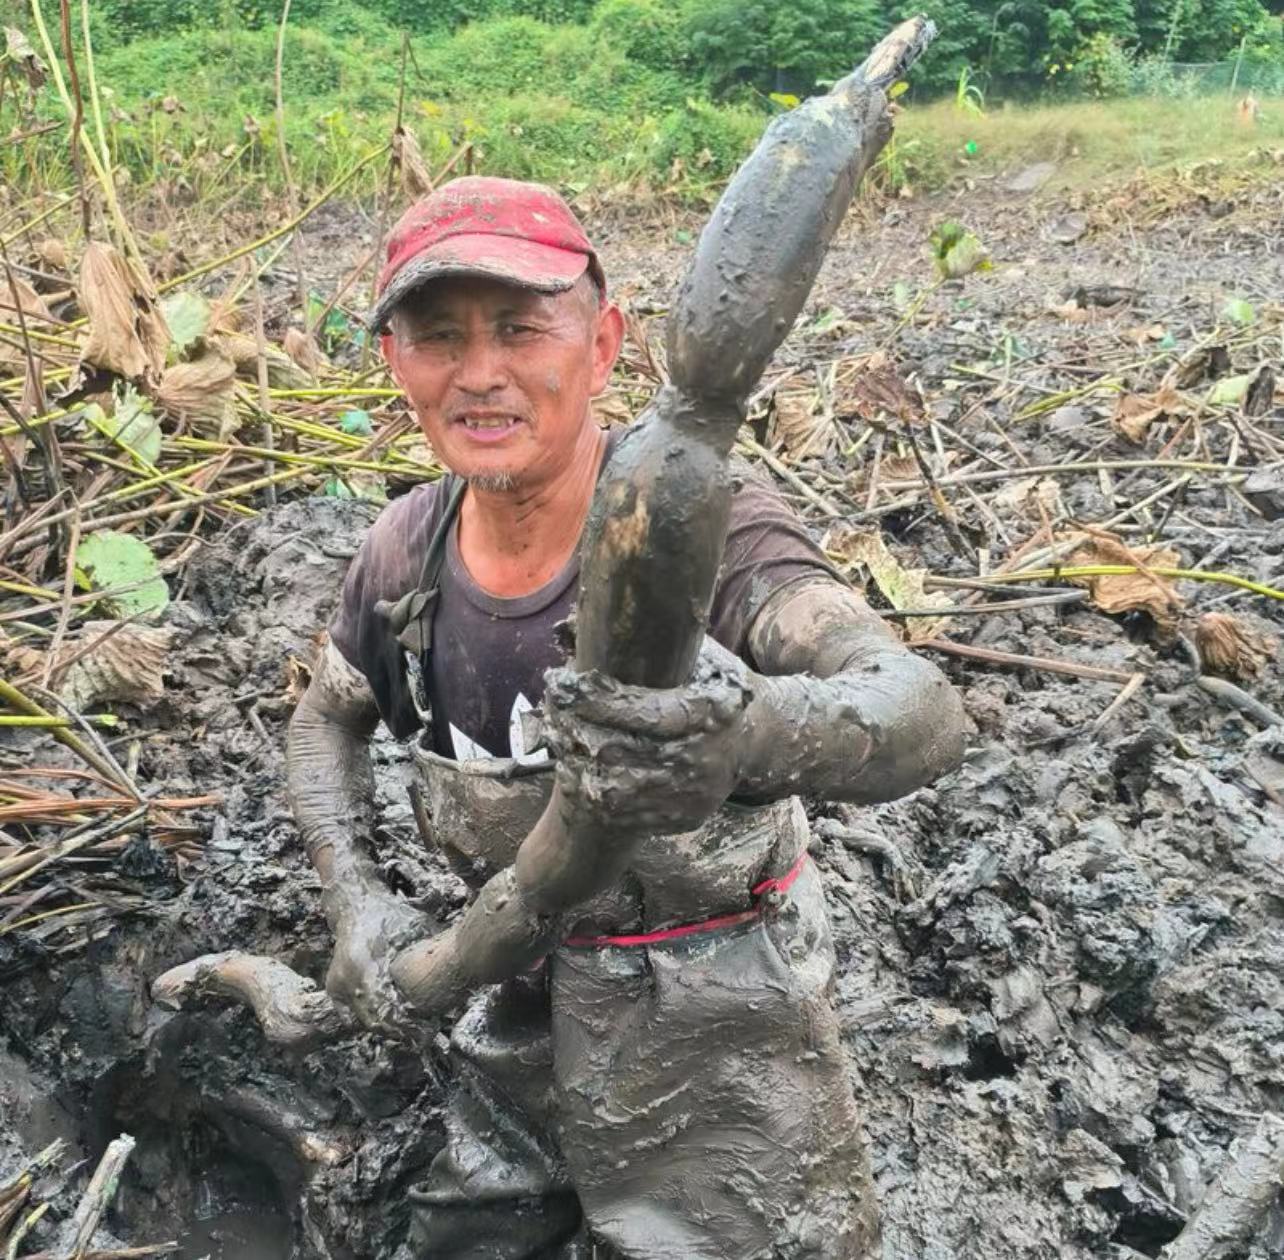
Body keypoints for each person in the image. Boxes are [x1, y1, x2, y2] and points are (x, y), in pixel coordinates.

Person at [286, 175, 966, 1259]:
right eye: (438, 338)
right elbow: (327, 720)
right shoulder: (402, 553)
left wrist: (750, 731)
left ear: (604, 346)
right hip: (510, 995)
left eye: (519, 329)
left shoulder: (704, 532)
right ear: (394, 365)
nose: (480, 375)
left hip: (719, 1017)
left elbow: (917, 709)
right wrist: (352, 896)